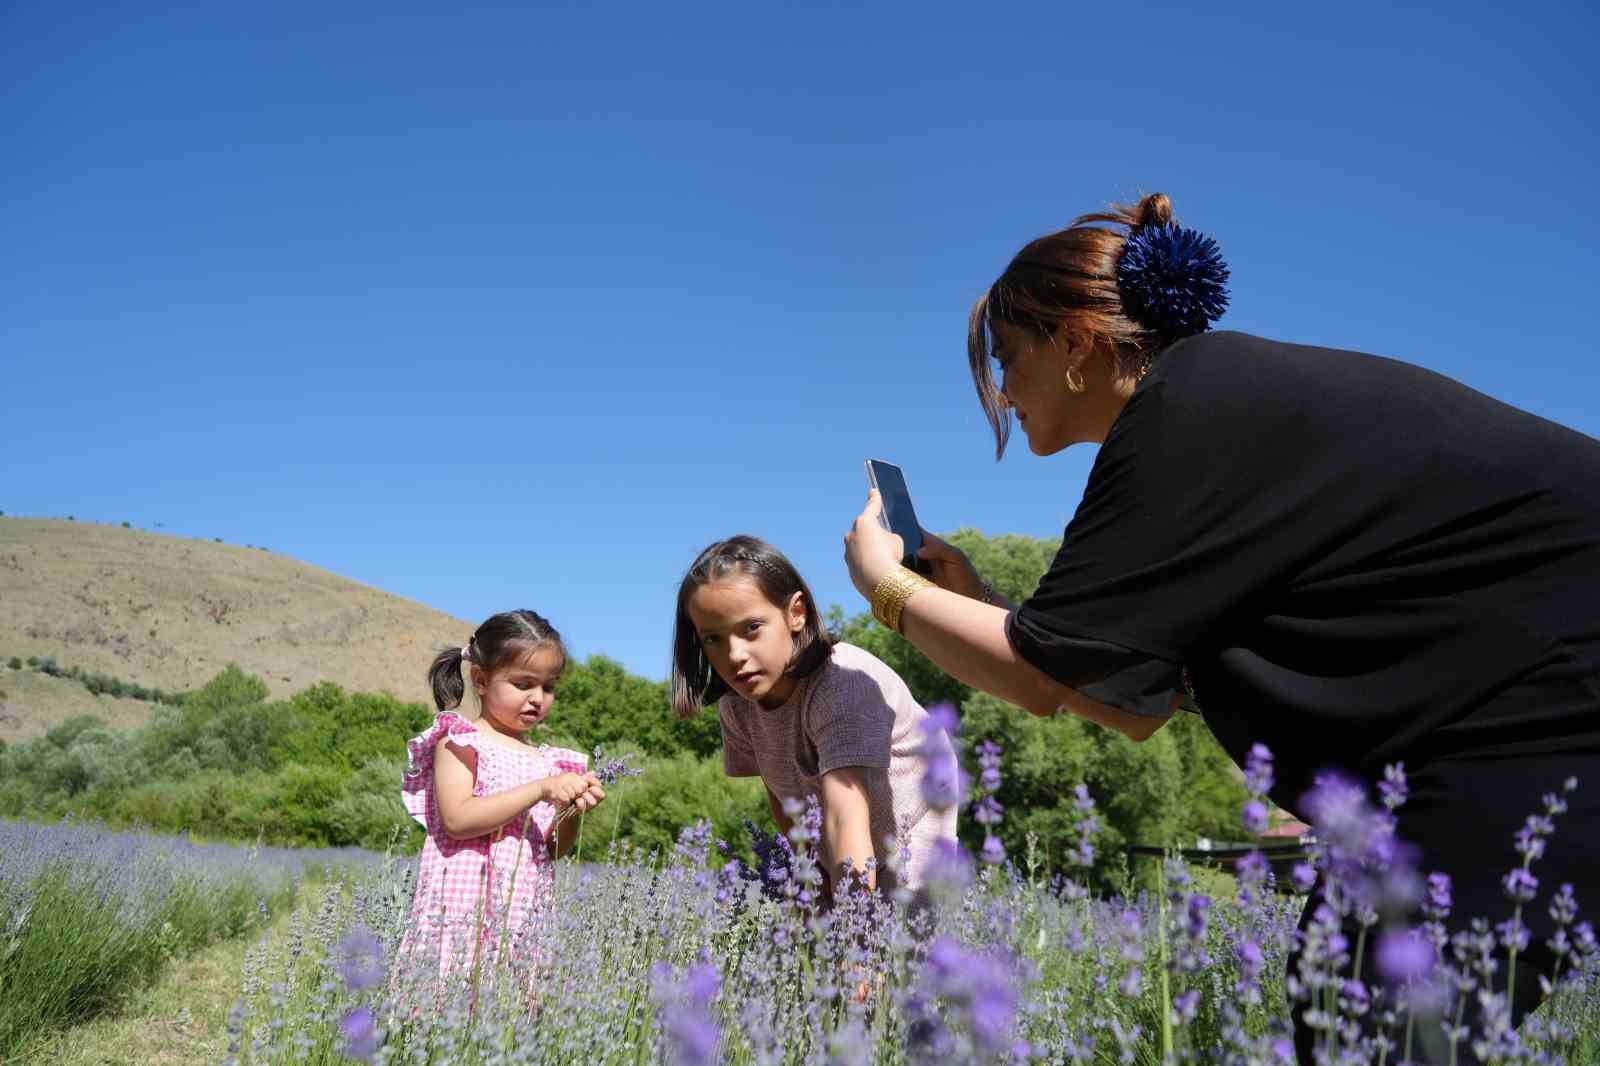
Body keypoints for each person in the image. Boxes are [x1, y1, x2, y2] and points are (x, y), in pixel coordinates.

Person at [840, 192, 1600, 1062]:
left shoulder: (1184, 415)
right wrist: (975, 598)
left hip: (1547, 713)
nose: (1004, 394)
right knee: (1348, 997)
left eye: (1008, 359)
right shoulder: (1210, 401)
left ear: (1077, 343)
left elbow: (1042, 678)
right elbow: (1129, 699)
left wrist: (885, 585)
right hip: (1512, 717)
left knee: (1375, 1016)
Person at [670, 534, 958, 899]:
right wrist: (812, 881)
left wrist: (850, 925)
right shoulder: (737, 705)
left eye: (751, 628)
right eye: (713, 638)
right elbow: (782, 797)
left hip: (915, 818)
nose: (734, 655)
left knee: (903, 927)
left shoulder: (841, 685)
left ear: (796, 613)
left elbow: (844, 815)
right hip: (843, 833)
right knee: (819, 921)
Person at [399, 609, 605, 977]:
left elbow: (554, 849)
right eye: (524, 684)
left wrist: (571, 811)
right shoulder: (460, 741)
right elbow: (458, 819)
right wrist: (539, 789)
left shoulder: (548, 762)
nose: (538, 698)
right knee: (454, 990)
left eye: (549, 687)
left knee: (510, 1000)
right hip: (462, 907)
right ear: (481, 679)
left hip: (522, 909)